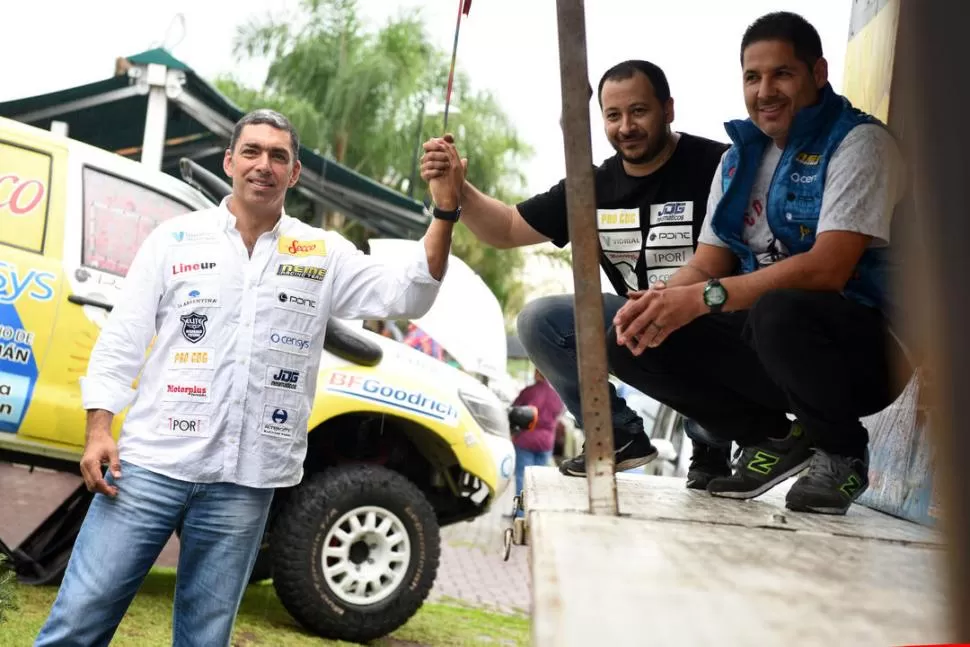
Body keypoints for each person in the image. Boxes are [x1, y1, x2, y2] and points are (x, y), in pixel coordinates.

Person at [34, 109, 460, 646]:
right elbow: (122, 339)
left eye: (278, 155)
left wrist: (446, 207)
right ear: (230, 161)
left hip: (245, 481)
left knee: (205, 639)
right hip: (148, 466)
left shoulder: (321, 253)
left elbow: (411, 292)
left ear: (295, 172)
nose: (264, 165)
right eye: (253, 152)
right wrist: (99, 430)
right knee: (78, 620)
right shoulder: (175, 239)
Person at [608, 12, 911, 515]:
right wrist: (660, 302)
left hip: (871, 352)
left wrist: (703, 299)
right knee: (625, 335)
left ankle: (840, 453)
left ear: (818, 73)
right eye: (753, 77)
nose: (765, 90)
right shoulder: (737, 159)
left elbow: (827, 269)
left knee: (778, 307)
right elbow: (706, 264)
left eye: (782, 74)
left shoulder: (860, 144)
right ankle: (774, 438)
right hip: (776, 341)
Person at [420, 60, 732, 484]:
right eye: (613, 115)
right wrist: (459, 187)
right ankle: (616, 433)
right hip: (639, 326)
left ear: (668, 109)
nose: (626, 127)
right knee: (539, 321)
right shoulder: (593, 187)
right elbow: (508, 227)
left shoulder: (718, 165)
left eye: (639, 111)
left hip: (716, 319)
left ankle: (717, 439)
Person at [510, 369, 565, 514]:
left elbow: (514, 411)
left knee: (522, 477)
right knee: (539, 481)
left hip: (526, 440)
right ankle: (533, 513)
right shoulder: (557, 395)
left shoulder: (529, 391)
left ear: (537, 373)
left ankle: (520, 515)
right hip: (546, 443)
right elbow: (560, 414)